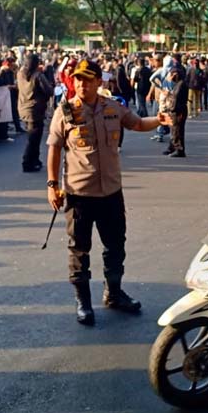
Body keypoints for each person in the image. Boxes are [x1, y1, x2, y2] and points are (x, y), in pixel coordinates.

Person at [45, 60, 173, 326]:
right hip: (79, 194)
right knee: (79, 249)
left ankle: (113, 293)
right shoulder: (65, 111)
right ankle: (83, 302)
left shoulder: (112, 107)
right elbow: (54, 148)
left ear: (98, 82)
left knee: (115, 246)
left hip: (111, 193)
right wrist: (52, 185)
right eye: (78, 80)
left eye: (87, 80)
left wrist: (158, 120)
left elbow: (136, 124)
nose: (82, 84)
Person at [19, 54, 53, 172]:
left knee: (34, 136)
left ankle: (35, 160)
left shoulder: (20, 74)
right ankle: (27, 162)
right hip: (35, 109)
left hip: (24, 107)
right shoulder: (38, 76)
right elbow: (49, 91)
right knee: (34, 138)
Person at [160, 65, 189, 158]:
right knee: (173, 130)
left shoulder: (181, 85)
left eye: (171, 75)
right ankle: (172, 147)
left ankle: (179, 149)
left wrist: (169, 96)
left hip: (178, 111)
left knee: (177, 130)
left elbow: (177, 99)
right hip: (175, 110)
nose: (170, 78)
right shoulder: (178, 84)